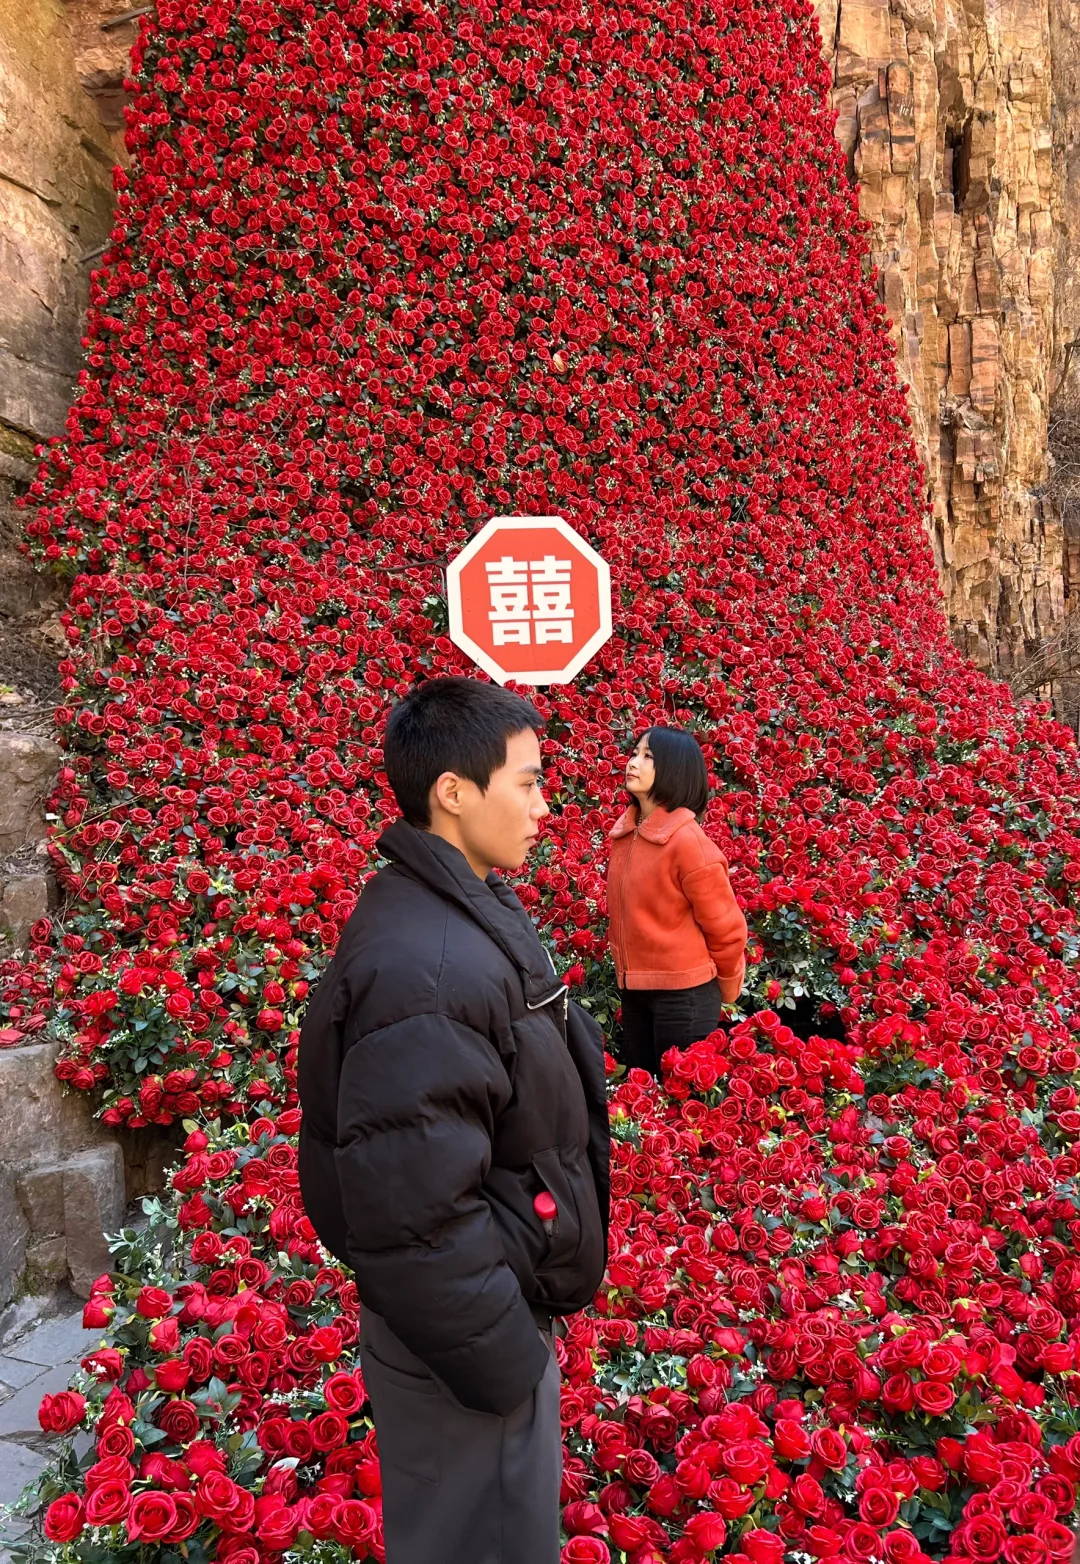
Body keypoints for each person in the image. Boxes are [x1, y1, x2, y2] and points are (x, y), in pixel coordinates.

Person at [297, 676, 609, 1564]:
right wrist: (507, 1361)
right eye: (529, 781)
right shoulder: (429, 968)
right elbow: (414, 1211)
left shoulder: (446, 908)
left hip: (466, 1328)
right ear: (454, 793)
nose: (545, 806)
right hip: (464, 1350)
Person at [607, 724, 748, 1078]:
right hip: (635, 990)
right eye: (635, 752)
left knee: (678, 1105)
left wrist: (729, 987)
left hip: (684, 997)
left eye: (648, 756)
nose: (633, 762)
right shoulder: (625, 835)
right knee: (640, 1097)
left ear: (675, 770)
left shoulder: (688, 843)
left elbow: (726, 927)